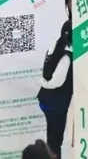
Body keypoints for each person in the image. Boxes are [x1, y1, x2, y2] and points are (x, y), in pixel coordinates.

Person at [38, 20, 73, 158]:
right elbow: (57, 81)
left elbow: (47, 70)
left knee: (53, 139)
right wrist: (44, 83)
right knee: (55, 141)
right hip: (56, 102)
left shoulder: (56, 45)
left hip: (48, 99)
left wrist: (43, 82)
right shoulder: (67, 56)